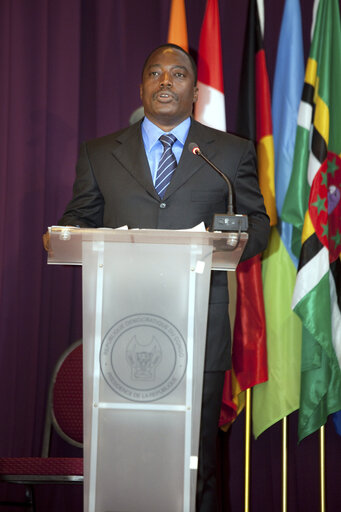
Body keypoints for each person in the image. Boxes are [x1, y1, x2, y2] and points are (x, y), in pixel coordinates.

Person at [50, 44, 270, 511]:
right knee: (124, 459)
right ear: (142, 87)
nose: (165, 81)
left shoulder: (229, 154)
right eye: (155, 73)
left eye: (178, 74)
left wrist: (231, 240)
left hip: (199, 332)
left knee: (198, 462)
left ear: (195, 92)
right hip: (121, 330)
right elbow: (78, 221)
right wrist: (62, 236)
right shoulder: (99, 154)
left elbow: (260, 225)